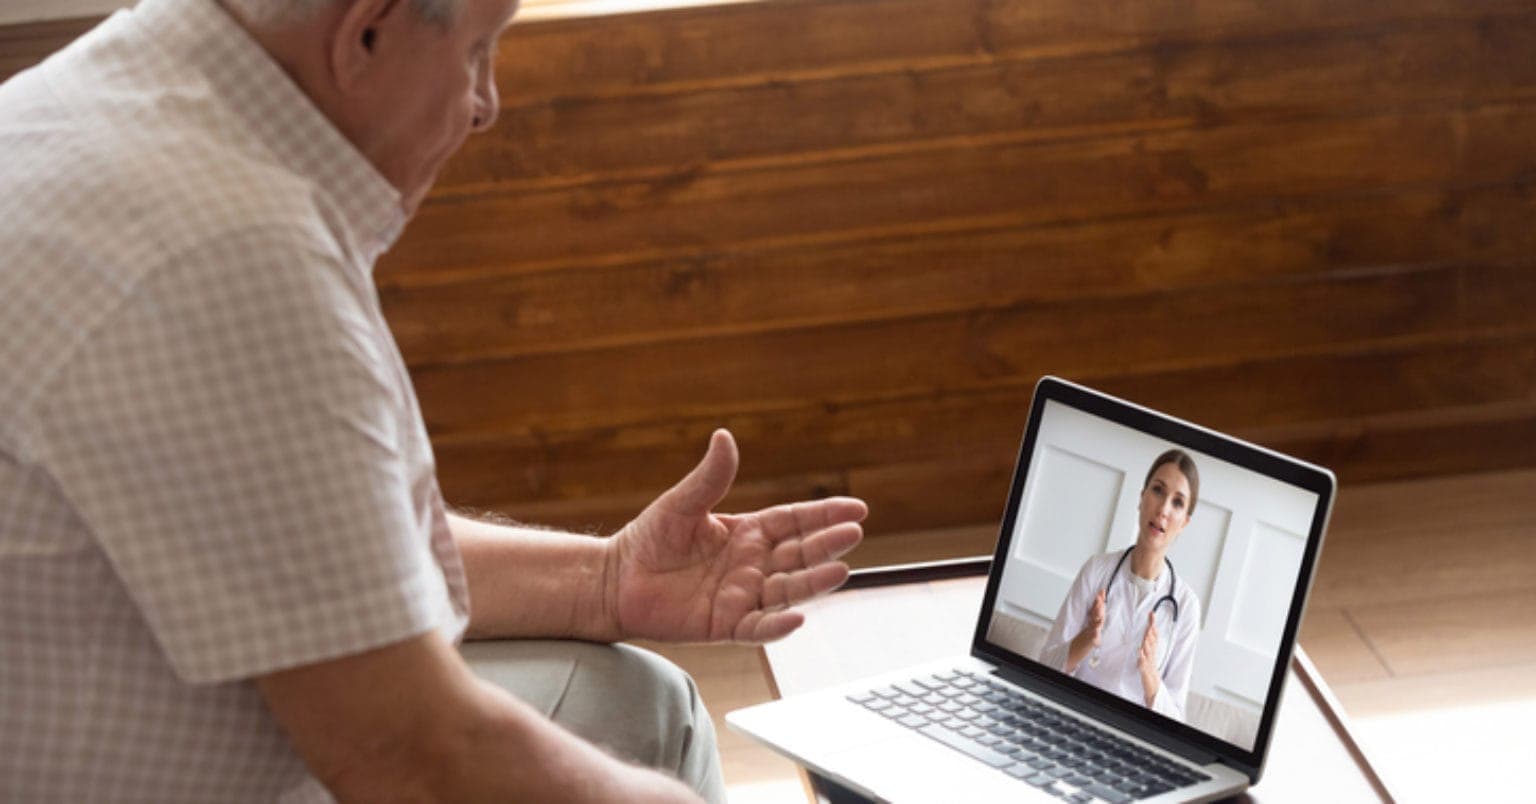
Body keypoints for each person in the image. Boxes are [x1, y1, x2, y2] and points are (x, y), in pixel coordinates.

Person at [0, 0, 867, 801]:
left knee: (636, 704)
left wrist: (606, 581)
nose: (486, 104)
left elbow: (311, 535)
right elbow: (414, 761)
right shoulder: (226, 254)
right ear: (367, 32)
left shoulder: (93, 101)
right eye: (479, 51)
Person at [1038, 450, 1203, 722]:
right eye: (1158, 491)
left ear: (1184, 522)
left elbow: (1175, 721)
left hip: (1131, 734)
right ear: (1142, 497)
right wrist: (1088, 637)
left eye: (1177, 502)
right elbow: (1044, 668)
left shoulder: (1186, 607)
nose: (1163, 510)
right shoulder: (1096, 570)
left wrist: (1150, 675)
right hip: (1073, 716)